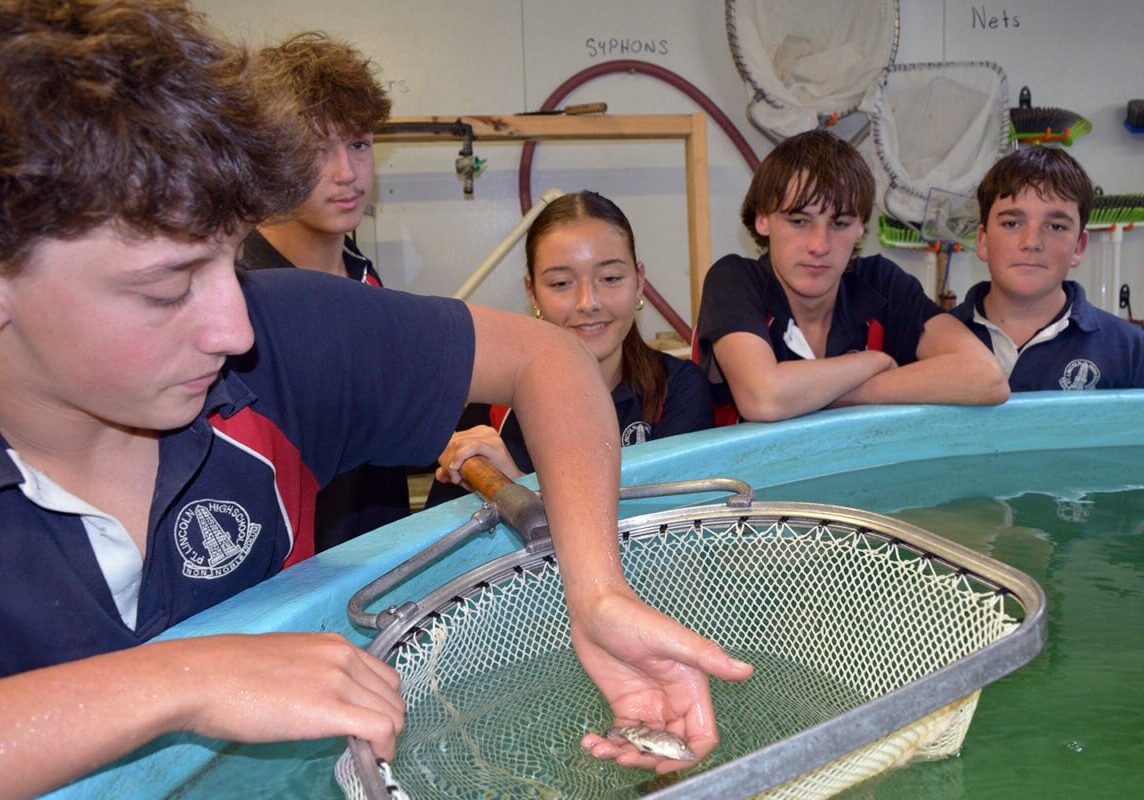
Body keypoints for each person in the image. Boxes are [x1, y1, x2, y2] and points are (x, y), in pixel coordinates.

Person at [0, 2, 751, 797]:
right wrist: (179, 680)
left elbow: (551, 360)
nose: (231, 326)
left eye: (227, 260)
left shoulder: (284, 337)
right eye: (168, 287)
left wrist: (597, 591)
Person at [694, 130, 1010, 423]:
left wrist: (836, 394)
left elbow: (987, 377)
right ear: (763, 220)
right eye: (799, 221)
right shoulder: (734, 281)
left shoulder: (881, 283)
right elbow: (764, 399)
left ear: (861, 226)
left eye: (840, 223)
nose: (819, 246)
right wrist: (873, 361)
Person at [427, 191, 714, 507]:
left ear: (639, 282)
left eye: (610, 277)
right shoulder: (492, 409)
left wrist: (515, 489)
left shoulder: (678, 391)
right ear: (532, 293)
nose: (588, 302)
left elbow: (671, 534)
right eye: (561, 283)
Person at [240, 31, 410, 550]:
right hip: (293, 584)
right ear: (272, 157)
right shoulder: (239, 292)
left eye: (358, 144)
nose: (347, 174)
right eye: (317, 151)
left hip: (382, 557)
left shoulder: (362, 272)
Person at [950, 146, 1144, 390]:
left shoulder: (1132, 351)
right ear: (983, 241)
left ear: (1078, 247)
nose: (1031, 242)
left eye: (1056, 227)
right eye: (1011, 223)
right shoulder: (928, 342)